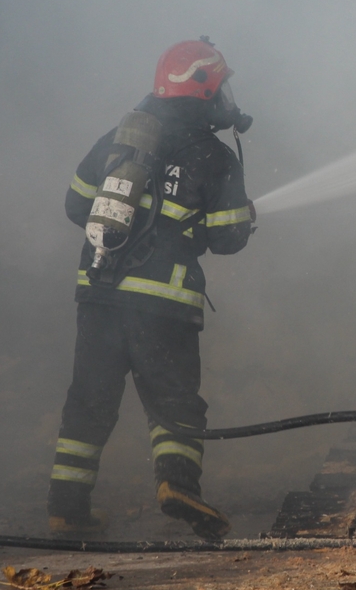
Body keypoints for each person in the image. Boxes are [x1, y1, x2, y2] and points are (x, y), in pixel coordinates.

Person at [47, 38, 256, 540]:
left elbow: (77, 206)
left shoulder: (120, 139)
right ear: (205, 89)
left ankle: (66, 508)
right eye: (221, 86)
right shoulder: (215, 156)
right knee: (173, 401)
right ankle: (177, 486)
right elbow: (228, 238)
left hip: (99, 293)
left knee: (90, 401)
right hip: (164, 302)